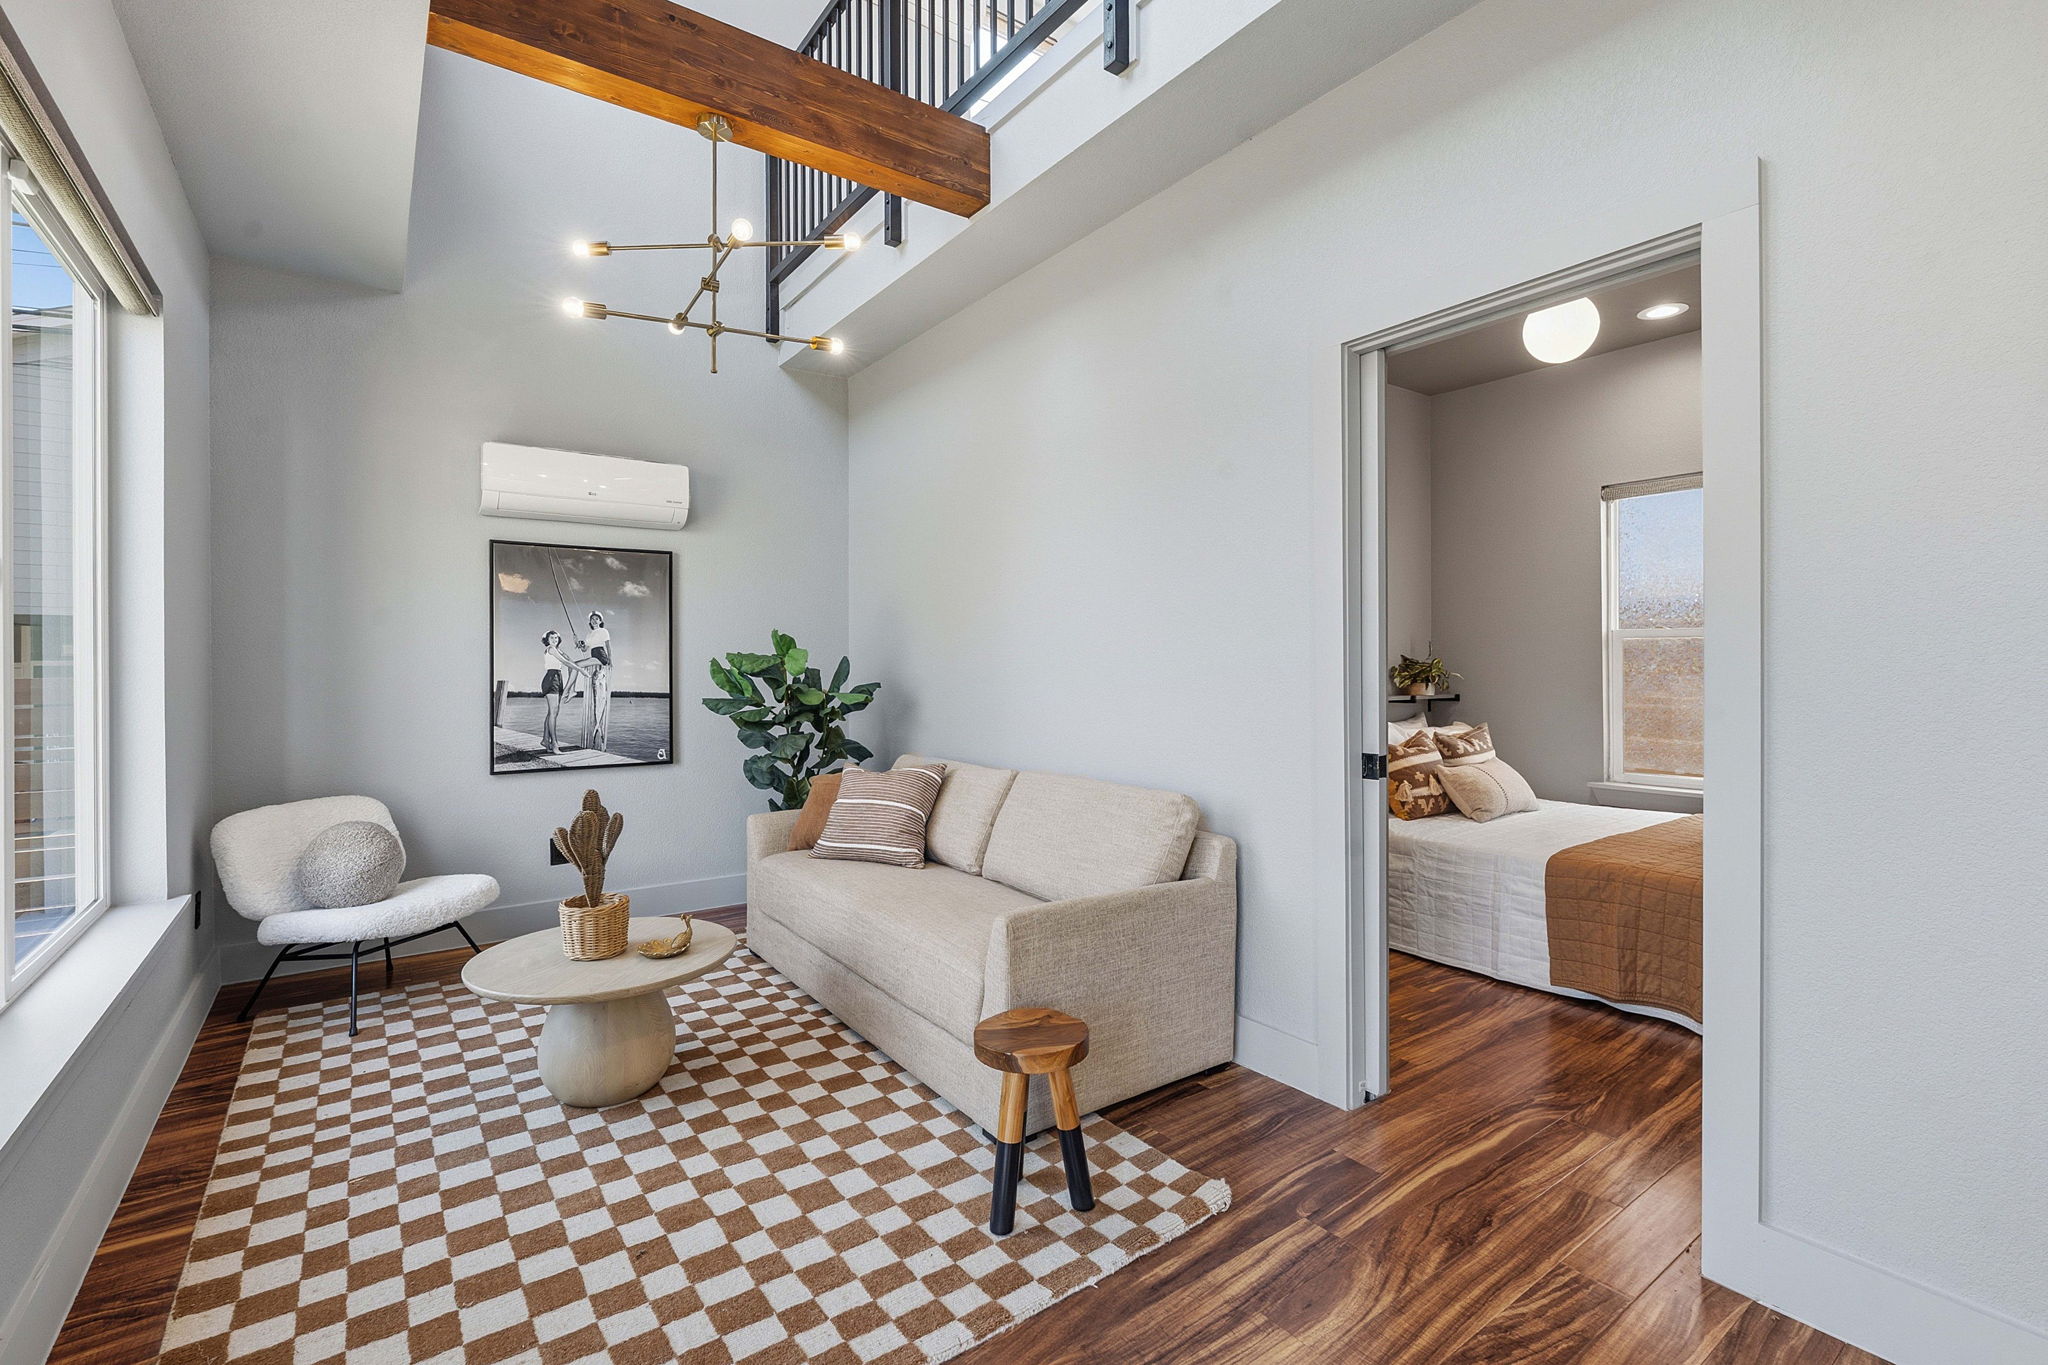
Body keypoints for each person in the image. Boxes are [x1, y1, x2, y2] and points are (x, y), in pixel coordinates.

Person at [539, 630, 586, 755]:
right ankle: (554, 744)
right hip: (550, 679)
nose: (554, 639)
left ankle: (545, 740)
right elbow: (565, 663)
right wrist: (581, 670)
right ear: (547, 640)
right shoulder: (551, 649)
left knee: (552, 713)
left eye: (556, 638)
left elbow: (570, 660)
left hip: (558, 678)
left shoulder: (558, 650)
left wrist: (578, 643)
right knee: (553, 713)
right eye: (551, 638)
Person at [580, 611, 614, 751]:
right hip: (593, 656)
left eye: (597, 618)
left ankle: (569, 690)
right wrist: (580, 643)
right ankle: (597, 730)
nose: (594, 620)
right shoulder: (589, 635)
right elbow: (585, 649)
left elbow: (608, 646)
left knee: (575, 664)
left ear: (600, 621)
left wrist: (611, 661)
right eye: (592, 619)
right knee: (575, 664)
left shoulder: (603, 631)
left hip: (601, 657)